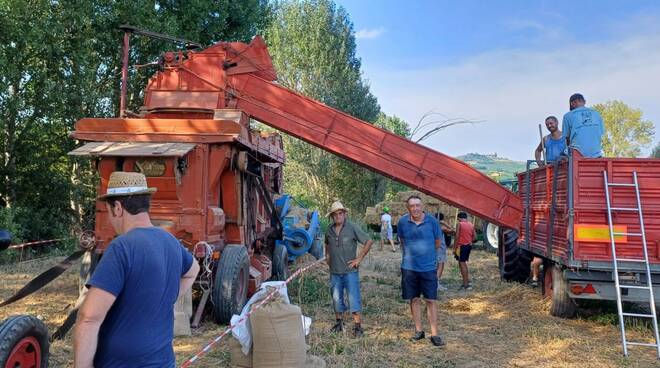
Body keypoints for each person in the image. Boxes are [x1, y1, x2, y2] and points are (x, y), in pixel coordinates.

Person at [74, 171, 199, 368]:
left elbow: (89, 318)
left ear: (117, 208)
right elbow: (193, 270)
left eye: (108, 211)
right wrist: (165, 298)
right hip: (163, 362)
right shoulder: (170, 241)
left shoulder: (121, 247)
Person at [397, 195, 444, 347]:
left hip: (428, 267)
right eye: (412, 206)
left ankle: (434, 334)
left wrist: (426, 255)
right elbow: (403, 241)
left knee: (431, 300)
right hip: (409, 268)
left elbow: (437, 243)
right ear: (408, 208)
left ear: (422, 206)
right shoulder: (403, 222)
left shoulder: (432, 222)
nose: (415, 208)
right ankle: (419, 331)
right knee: (414, 299)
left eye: (418, 205)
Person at [324, 200, 373, 338]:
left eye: (340, 213)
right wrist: (327, 256)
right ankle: (339, 323)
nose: (338, 216)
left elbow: (368, 241)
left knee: (353, 298)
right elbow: (326, 243)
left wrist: (358, 259)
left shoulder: (352, 227)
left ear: (344, 214)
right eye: (335, 214)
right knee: (336, 298)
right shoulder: (329, 229)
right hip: (334, 271)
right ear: (332, 216)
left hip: (350, 271)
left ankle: (358, 327)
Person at [562, 93, 605, 158]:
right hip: (597, 154)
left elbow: (566, 138)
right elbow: (600, 134)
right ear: (584, 101)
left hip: (577, 154)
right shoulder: (597, 113)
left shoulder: (568, 116)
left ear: (572, 103)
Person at [452, 212, 476, 291]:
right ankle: (465, 281)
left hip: (461, 246)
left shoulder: (460, 224)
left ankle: (466, 285)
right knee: (461, 262)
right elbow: (475, 237)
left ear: (459, 218)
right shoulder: (471, 224)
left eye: (458, 219)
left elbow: (457, 236)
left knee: (462, 264)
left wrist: (454, 248)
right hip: (468, 245)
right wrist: (469, 241)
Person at [435, 213, 454, 291]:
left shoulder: (431, 226)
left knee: (435, 266)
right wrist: (444, 223)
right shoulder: (441, 227)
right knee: (440, 266)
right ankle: (436, 284)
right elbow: (452, 230)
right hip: (440, 249)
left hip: (434, 249)